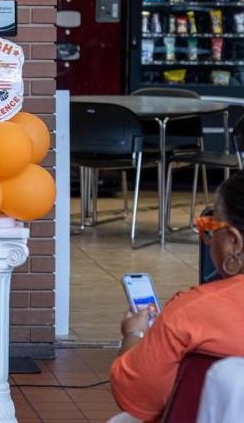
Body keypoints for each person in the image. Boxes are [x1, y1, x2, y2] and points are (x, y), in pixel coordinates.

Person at [109, 173, 244, 422]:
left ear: (233, 242)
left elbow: (138, 398)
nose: (208, 238)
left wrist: (133, 335)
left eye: (210, 228)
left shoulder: (189, 311)